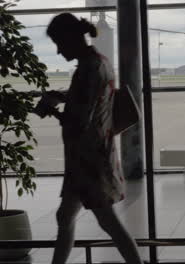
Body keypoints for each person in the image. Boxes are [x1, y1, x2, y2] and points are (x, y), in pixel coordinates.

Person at [42, 13, 143, 264]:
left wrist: (51, 109)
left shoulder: (88, 68)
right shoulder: (101, 62)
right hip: (90, 157)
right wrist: (61, 97)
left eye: (58, 43)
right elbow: (91, 98)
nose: (57, 51)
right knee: (65, 217)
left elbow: (80, 119)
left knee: (107, 222)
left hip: (88, 161)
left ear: (69, 39)